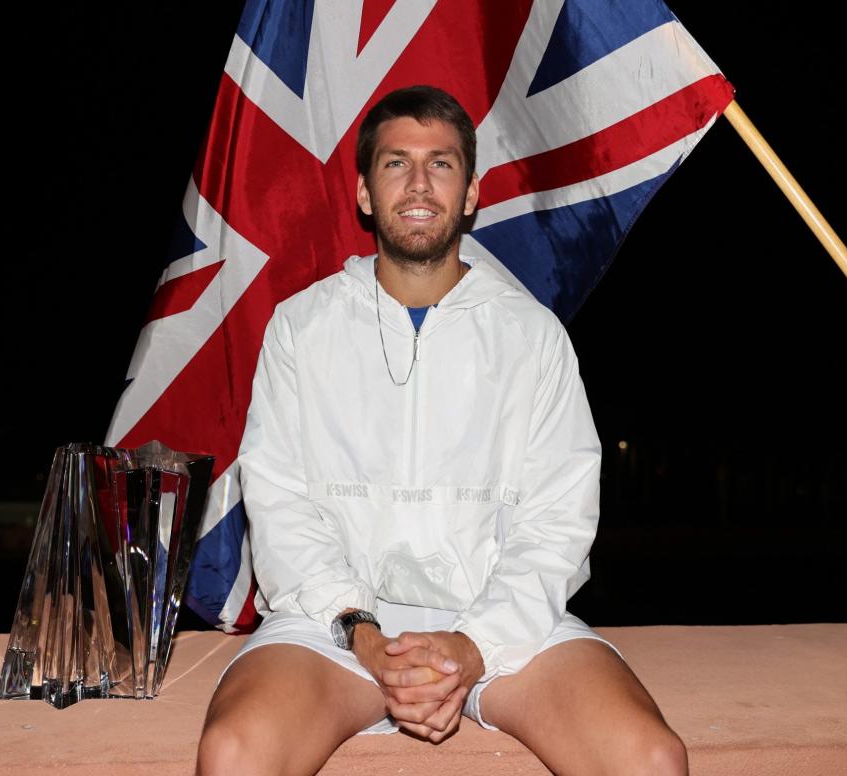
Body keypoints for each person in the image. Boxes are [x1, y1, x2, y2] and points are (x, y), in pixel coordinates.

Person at [197, 85, 687, 776]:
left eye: (442, 164)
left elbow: (557, 522)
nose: (419, 183)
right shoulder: (302, 328)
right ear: (366, 192)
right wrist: (362, 634)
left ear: (471, 193)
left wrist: (471, 644)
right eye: (396, 164)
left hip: (501, 629)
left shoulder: (529, 336)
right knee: (233, 754)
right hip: (333, 630)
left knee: (648, 758)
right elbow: (278, 503)